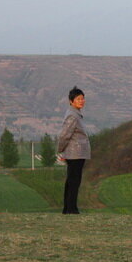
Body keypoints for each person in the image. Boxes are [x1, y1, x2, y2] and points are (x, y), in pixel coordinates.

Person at [57, 86, 91, 214]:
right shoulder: (73, 116)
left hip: (76, 153)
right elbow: (64, 135)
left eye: (82, 99)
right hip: (75, 153)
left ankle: (68, 208)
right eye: (78, 99)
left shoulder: (75, 114)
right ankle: (71, 209)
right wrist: (60, 150)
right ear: (71, 101)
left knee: (71, 180)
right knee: (74, 181)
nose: (81, 101)